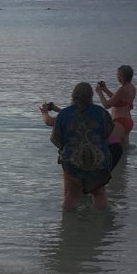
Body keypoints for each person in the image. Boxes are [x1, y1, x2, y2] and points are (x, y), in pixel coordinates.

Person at [40, 82, 116, 210]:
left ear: (74, 96)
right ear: (91, 96)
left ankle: (69, 228)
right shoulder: (101, 112)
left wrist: (44, 112)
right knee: (99, 194)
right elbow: (108, 134)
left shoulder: (65, 114)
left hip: (72, 160)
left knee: (71, 196)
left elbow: (57, 139)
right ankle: (103, 227)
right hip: (98, 159)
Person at [96, 65, 135, 147]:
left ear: (123, 76)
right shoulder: (132, 87)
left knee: (109, 146)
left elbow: (107, 105)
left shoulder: (122, 89)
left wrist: (99, 92)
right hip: (128, 122)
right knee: (124, 150)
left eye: (118, 74)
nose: (117, 76)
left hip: (120, 123)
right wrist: (105, 90)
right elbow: (118, 100)